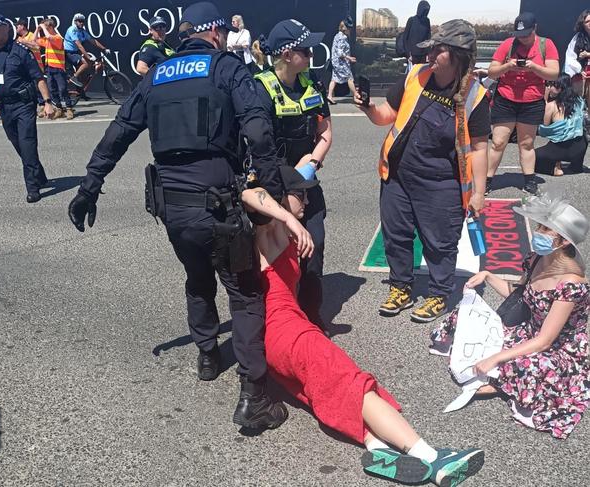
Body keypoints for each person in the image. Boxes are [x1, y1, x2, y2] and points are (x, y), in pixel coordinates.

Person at [67, 1, 288, 430]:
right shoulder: (227, 68)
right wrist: (273, 197)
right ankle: (254, 396)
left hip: (172, 207)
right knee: (244, 292)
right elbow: (259, 130)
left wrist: (88, 187)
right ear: (217, 33)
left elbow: (118, 133)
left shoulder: (156, 76)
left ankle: (208, 356)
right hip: (218, 202)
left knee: (197, 276)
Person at [240, 165, 485, 486]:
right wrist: (284, 216)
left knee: (325, 390)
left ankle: (377, 446)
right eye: (299, 195)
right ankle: (432, 458)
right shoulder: (269, 231)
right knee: (355, 384)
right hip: (291, 336)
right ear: (279, 200)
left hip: (274, 341)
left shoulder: (281, 232)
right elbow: (246, 194)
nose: (306, 200)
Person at [355, 19, 489, 323]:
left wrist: (479, 193)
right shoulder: (416, 75)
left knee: (439, 242)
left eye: (438, 51)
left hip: (441, 183)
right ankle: (400, 286)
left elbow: (480, 149)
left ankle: (439, 293)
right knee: (397, 235)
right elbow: (387, 115)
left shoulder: (475, 96)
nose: (430, 55)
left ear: (459, 55)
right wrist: (367, 107)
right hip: (398, 176)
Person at [431, 193, 590, 439]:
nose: (539, 233)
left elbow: (546, 341)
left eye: (547, 230)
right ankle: (499, 376)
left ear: (564, 241)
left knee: (525, 364)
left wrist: (496, 357)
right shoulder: (537, 257)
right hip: (528, 329)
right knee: (464, 316)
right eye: (540, 226)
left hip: (558, 346)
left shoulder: (571, 283)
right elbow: (519, 296)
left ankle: (499, 381)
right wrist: (487, 275)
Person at [256, 19, 333, 331]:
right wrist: (287, 188)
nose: (312, 54)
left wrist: (310, 165)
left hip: (306, 177)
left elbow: (326, 132)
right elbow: (255, 149)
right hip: (272, 184)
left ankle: (311, 315)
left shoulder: (312, 85)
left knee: (314, 243)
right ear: (287, 55)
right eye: (306, 49)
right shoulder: (260, 88)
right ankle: (280, 319)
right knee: (276, 254)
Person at [0, 13, 54, 203]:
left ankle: (33, 188)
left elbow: (38, 77)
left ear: (6, 28)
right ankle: (40, 175)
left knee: (27, 144)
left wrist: (47, 102)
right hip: (5, 107)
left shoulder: (21, 51)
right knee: (18, 144)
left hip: (24, 105)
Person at [485, 12, 559, 196]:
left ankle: (529, 180)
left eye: (526, 34)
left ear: (535, 28)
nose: (523, 39)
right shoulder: (507, 44)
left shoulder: (546, 44)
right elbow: (492, 72)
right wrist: (507, 66)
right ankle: (486, 179)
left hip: (531, 100)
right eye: (519, 35)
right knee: (498, 142)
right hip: (506, 98)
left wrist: (534, 67)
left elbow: (554, 74)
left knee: (526, 143)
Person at [535, 75, 587, 176]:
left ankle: (555, 167)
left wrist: (545, 101)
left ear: (560, 88)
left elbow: (544, 130)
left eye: (552, 85)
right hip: (580, 146)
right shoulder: (579, 101)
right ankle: (576, 166)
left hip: (561, 147)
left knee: (531, 156)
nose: (549, 88)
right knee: (579, 134)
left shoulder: (552, 105)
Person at [36, 18, 74, 120]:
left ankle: (69, 109)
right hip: (49, 68)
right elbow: (34, 40)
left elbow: (49, 36)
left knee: (62, 89)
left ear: (51, 27)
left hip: (58, 68)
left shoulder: (57, 38)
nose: (45, 30)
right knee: (52, 90)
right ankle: (59, 109)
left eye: (47, 27)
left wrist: (43, 27)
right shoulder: (47, 39)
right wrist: (37, 29)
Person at [64, 13, 109, 87]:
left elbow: (93, 41)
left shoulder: (82, 31)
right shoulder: (72, 30)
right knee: (85, 63)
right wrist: (88, 56)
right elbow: (79, 46)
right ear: (75, 22)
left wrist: (104, 48)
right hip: (68, 53)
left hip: (75, 52)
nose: (81, 23)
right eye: (79, 21)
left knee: (86, 69)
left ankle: (81, 93)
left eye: (82, 21)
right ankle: (74, 78)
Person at [564, 9, 590, 107]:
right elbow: (570, 56)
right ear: (582, 24)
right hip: (581, 75)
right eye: (587, 21)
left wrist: (587, 54)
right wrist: (579, 69)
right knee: (577, 104)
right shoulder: (578, 38)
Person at [327, 18, 356, 104]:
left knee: (334, 79)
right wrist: (349, 58)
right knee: (350, 78)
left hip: (336, 62)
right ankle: (356, 96)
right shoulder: (342, 37)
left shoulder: (337, 35)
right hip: (341, 63)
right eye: (349, 28)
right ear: (345, 28)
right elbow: (340, 53)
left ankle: (329, 96)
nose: (350, 29)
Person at [401, 1, 431, 66]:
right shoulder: (411, 20)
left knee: (422, 75)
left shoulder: (427, 21)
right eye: (424, 10)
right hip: (412, 55)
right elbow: (405, 38)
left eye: (427, 10)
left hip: (423, 55)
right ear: (420, 9)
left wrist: (428, 53)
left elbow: (428, 37)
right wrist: (408, 54)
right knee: (413, 74)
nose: (426, 12)